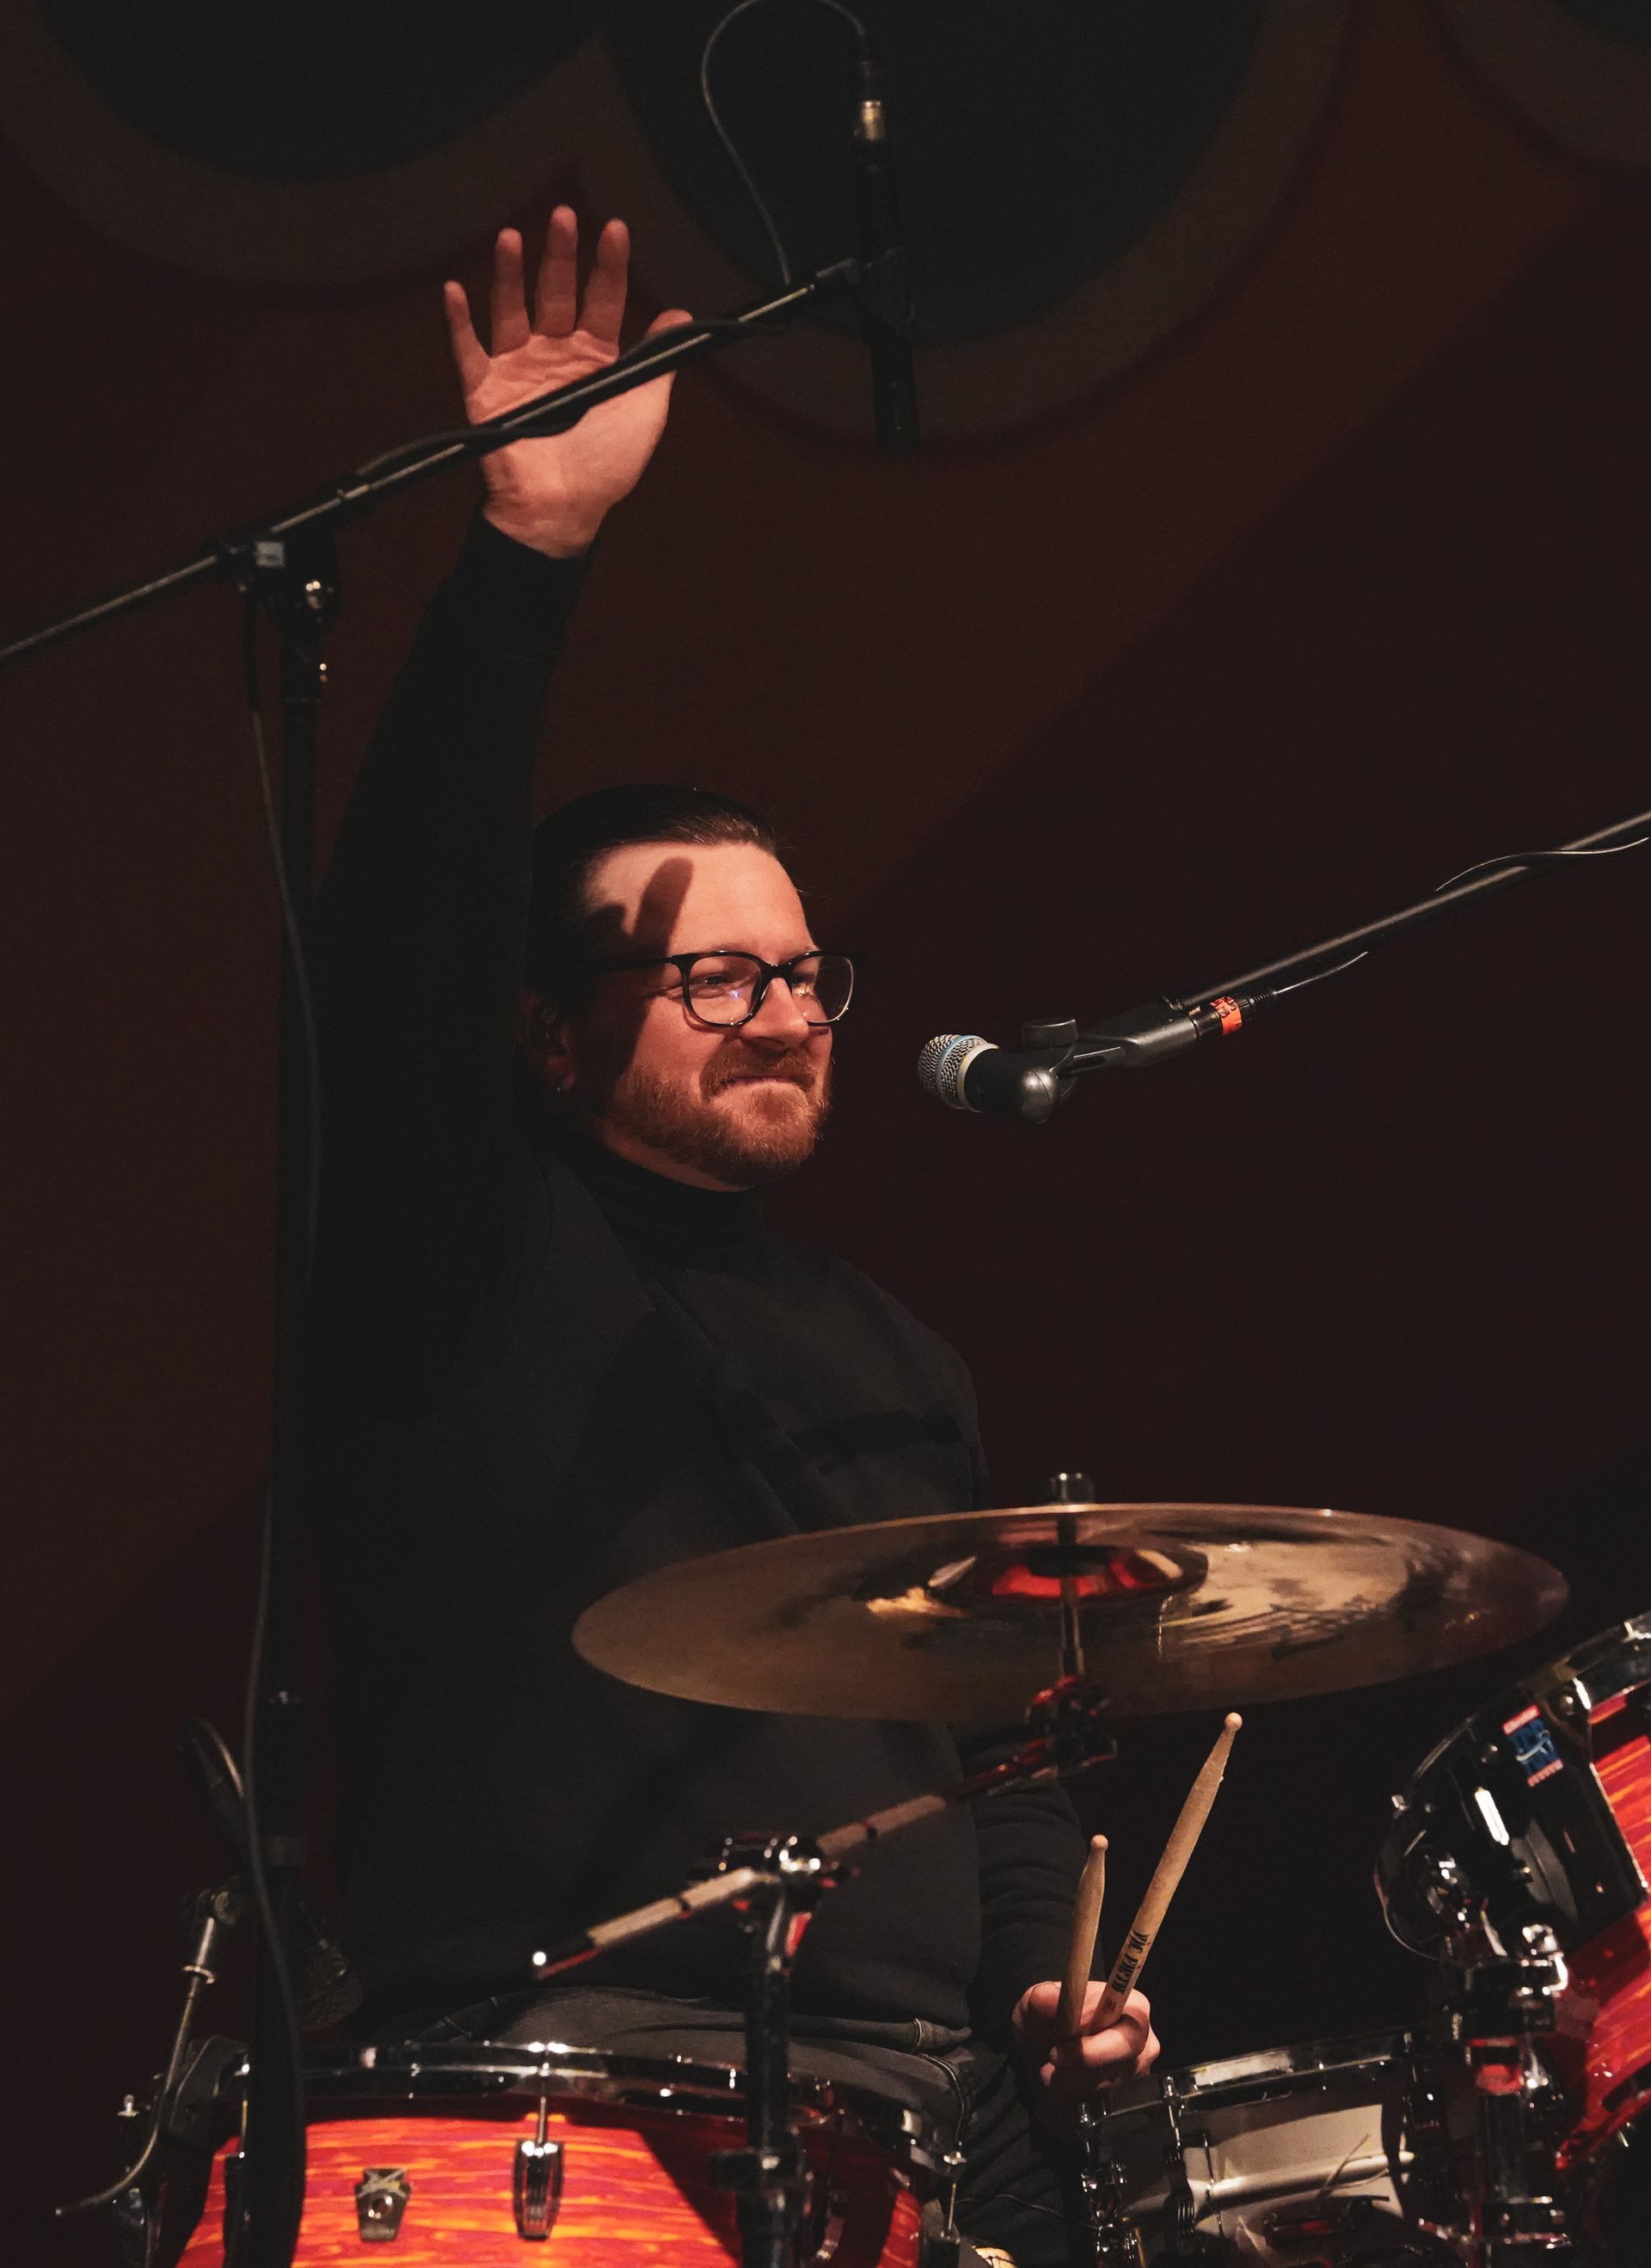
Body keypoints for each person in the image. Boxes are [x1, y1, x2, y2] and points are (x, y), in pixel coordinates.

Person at [311, 207, 1157, 2267]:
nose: (787, 1007)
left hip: (919, 2118)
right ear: (547, 1025)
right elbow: (406, 926)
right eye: (716, 977)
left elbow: (994, 1755)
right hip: (577, 2070)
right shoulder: (469, 1250)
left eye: (806, 972)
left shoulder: (897, 1355)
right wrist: (525, 557)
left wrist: (1048, 1982)